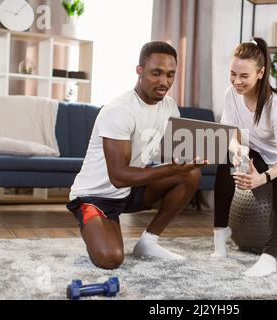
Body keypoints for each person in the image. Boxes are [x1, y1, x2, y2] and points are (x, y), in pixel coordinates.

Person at [67, 41, 204, 270]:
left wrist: (211, 151)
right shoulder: (119, 110)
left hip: (130, 192)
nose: (164, 82)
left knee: (190, 174)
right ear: (139, 71)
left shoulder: (169, 107)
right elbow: (118, 176)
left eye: (170, 75)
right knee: (110, 259)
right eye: (156, 73)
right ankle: (100, 224)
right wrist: (172, 168)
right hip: (96, 196)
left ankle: (149, 242)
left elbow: (176, 156)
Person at [211, 37, 277, 277]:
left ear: (260, 73)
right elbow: (226, 133)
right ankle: (220, 235)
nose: (237, 81)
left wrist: (262, 178)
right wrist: (236, 147)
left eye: (244, 76)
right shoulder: (231, 94)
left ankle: (270, 257)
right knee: (226, 159)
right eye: (233, 74)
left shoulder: (274, 104)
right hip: (261, 155)